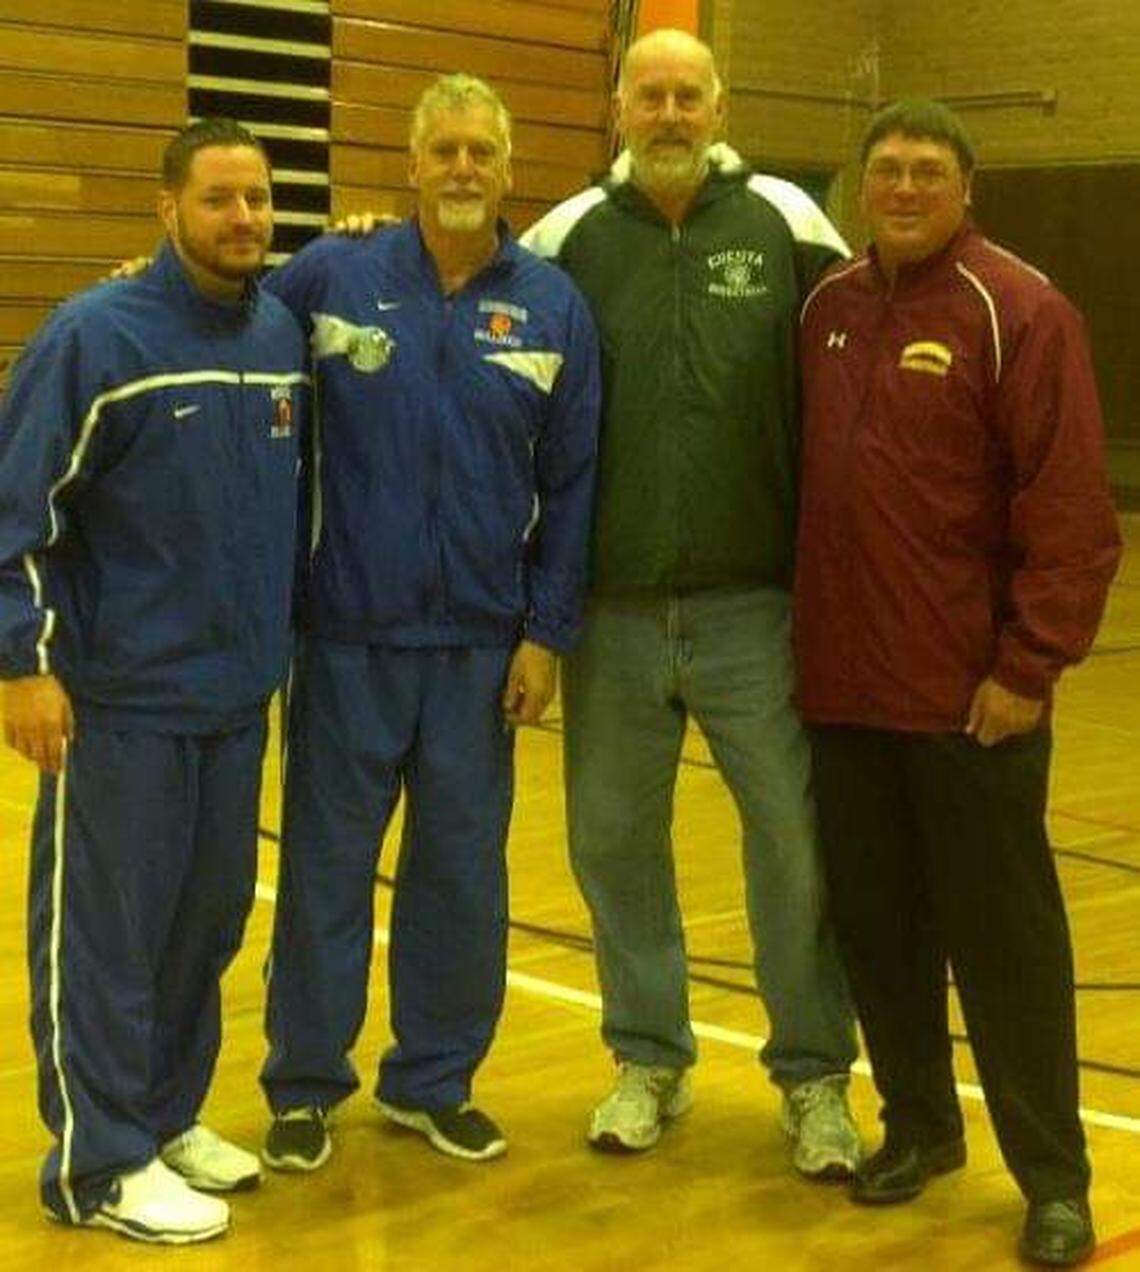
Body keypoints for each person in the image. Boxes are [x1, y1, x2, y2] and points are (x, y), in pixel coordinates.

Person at [519, 28, 861, 1174]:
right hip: (609, 611)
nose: (668, 113)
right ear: (618, 108)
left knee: (795, 848)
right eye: (649, 95)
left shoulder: (790, 226)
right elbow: (467, 322)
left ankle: (816, 1078)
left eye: (688, 96)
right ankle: (650, 1058)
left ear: (721, 107)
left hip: (754, 610)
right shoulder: (563, 239)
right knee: (615, 844)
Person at [794, 98, 1121, 1266]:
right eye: (886, 169)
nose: (906, 188)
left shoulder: (1021, 309)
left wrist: (1028, 668)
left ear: (966, 188)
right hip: (843, 696)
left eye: (929, 170)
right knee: (880, 937)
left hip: (972, 704)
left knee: (1006, 949)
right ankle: (920, 1128)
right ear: (861, 185)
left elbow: (1075, 519)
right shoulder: (827, 309)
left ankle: (1054, 1178)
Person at [258, 74, 600, 1170]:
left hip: (479, 653)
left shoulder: (553, 305)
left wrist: (547, 632)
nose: (461, 169)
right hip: (347, 642)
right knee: (325, 870)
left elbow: (576, 480)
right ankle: (305, 1085)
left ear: (508, 171)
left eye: (480, 153)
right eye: (443, 149)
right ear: (410, 164)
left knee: (461, 872)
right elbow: (220, 333)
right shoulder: (329, 276)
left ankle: (434, 1079)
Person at [0, 118, 309, 1243]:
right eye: (221, 199)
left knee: (204, 926)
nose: (245, 221)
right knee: (107, 941)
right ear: (167, 207)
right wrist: (22, 670)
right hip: (119, 705)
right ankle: (96, 1161)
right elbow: (13, 517)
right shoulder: (94, 336)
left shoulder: (280, 333)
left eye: (260, 200)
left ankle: (166, 1120)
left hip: (235, 704)